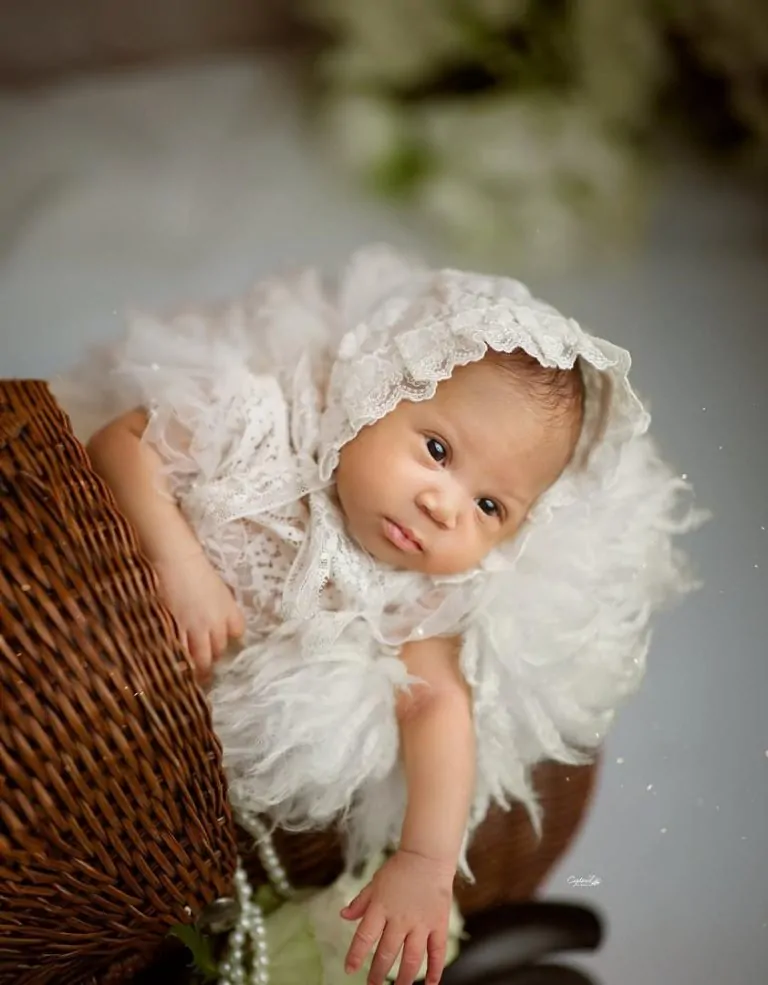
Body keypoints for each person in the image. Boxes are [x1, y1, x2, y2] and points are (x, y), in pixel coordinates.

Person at [53, 245, 699, 985]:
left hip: (141, 760)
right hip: (83, 628)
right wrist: (178, 561)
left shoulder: (413, 592)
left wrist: (425, 862)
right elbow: (124, 441)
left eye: (491, 506)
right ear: (375, 390)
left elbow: (437, 705)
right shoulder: (263, 428)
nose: (445, 506)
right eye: (437, 449)